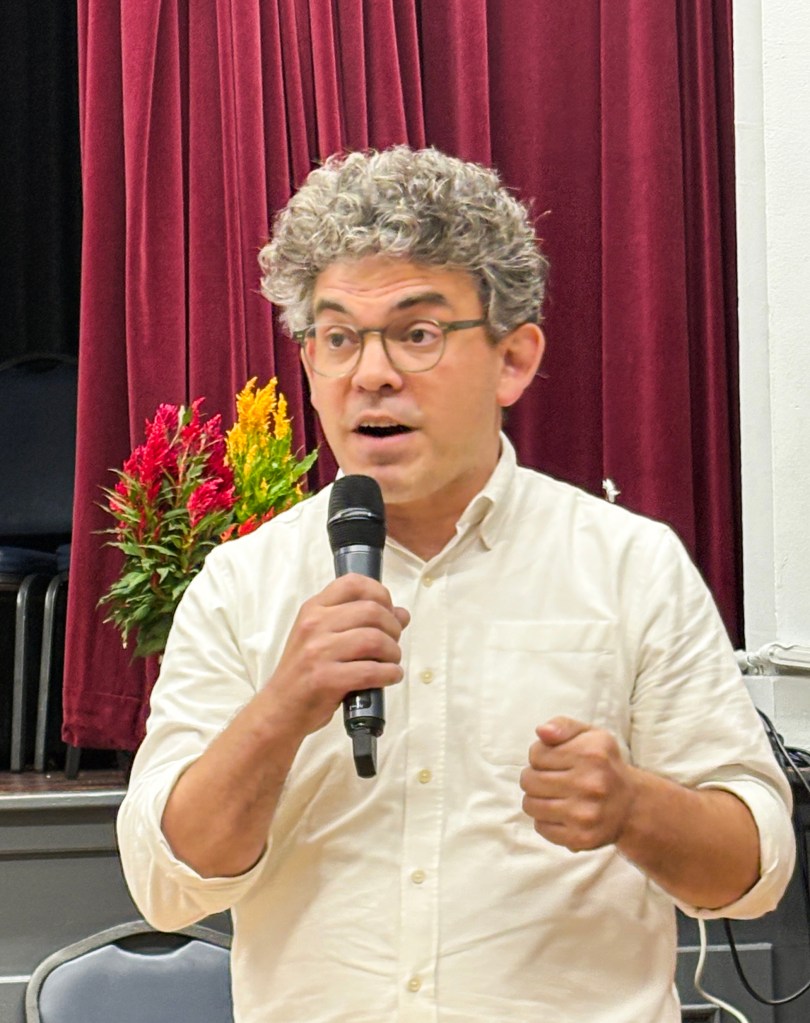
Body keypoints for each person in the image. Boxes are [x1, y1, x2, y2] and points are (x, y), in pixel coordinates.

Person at [117, 146, 795, 1023]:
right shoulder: (242, 583)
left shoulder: (630, 565)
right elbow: (165, 886)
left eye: (417, 333)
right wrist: (280, 710)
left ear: (513, 359)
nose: (372, 374)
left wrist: (635, 807)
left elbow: (754, 871)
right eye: (338, 337)